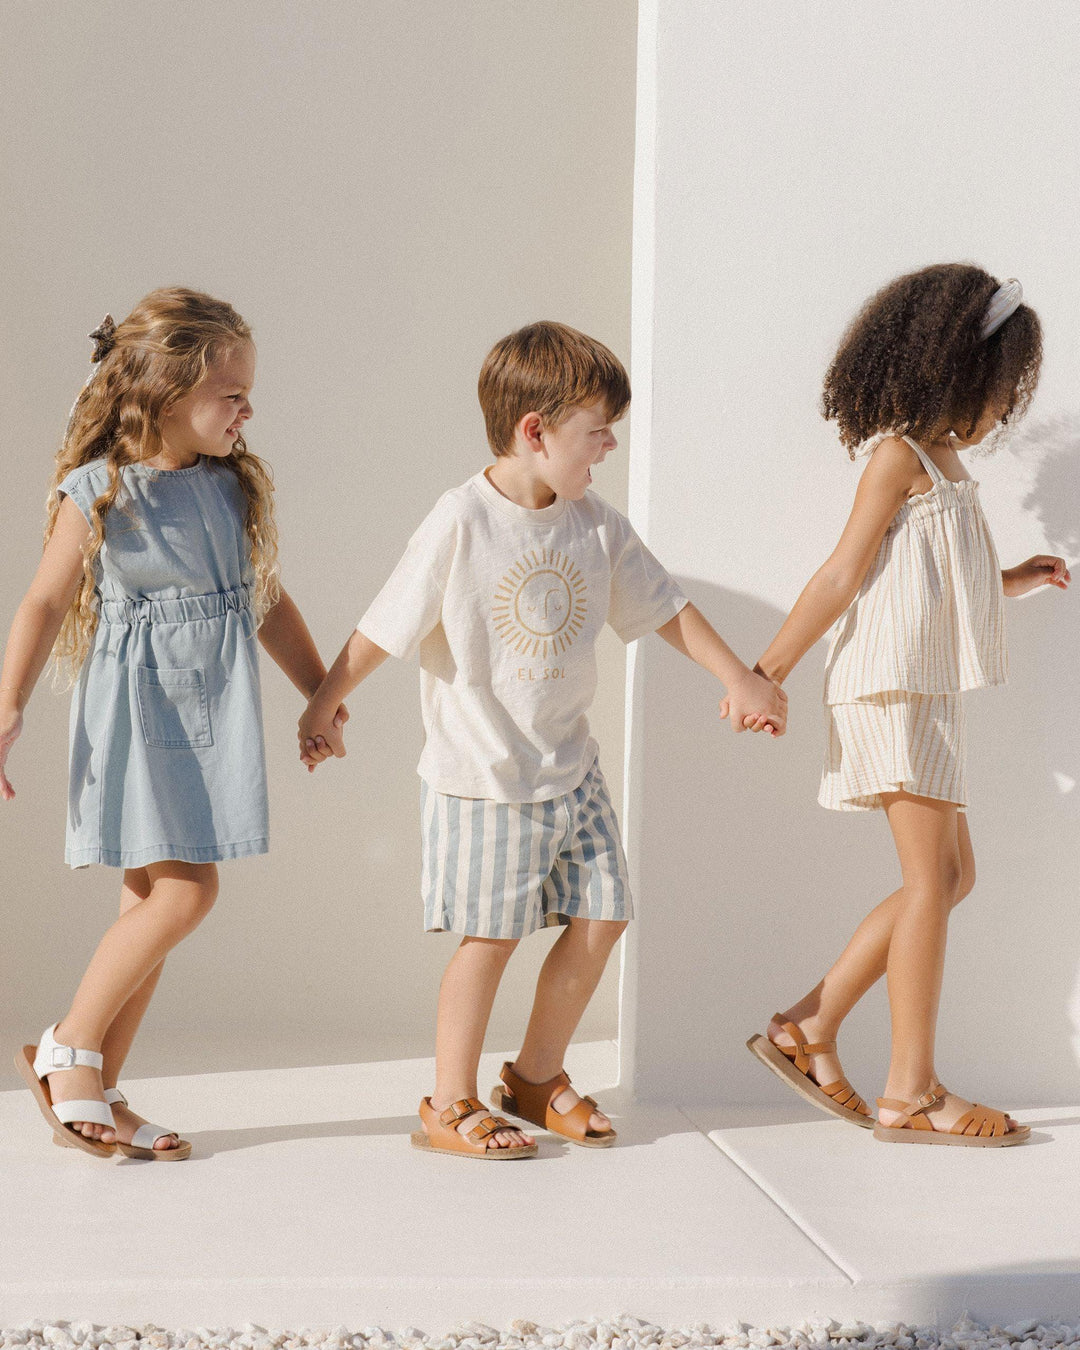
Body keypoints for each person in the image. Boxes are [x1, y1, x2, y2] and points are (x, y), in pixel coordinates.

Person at [299, 320, 787, 1158]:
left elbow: (667, 608)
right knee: (489, 938)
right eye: (595, 433)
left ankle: (532, 1077)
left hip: (570, 768)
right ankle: (449, 1103)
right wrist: (325, 701)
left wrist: (737, 676)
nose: (607, 448)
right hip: (483, 774)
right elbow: (386, 622)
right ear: (536, 431)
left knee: (603, 916)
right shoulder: (461, 520)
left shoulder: (595, 525)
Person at [2, 288, 343, 1160]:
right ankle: (66, 1048)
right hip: (138, 713)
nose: (247, 410)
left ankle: (104, 1088)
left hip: (206, 711)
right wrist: (7, 710)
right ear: (163, 395)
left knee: (149, 903)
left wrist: (317, 692)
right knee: (189, 891)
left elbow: (262, 599)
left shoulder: (228, 489)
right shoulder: (101, 490)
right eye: (231, 395)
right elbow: (42, 602)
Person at [743, 265, 1069, 1147]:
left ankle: (808, 1027)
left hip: (922, 686)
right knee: (934, 881)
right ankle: (910, 1091)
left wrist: (1016, 580)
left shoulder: (948, 465)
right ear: (961, 370)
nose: (1007, 406)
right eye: (1005, 386)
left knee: (955, 877)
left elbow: (941, 584)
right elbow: (844, 574)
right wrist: (765, 670)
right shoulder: (898, 456)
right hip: (887, 685)